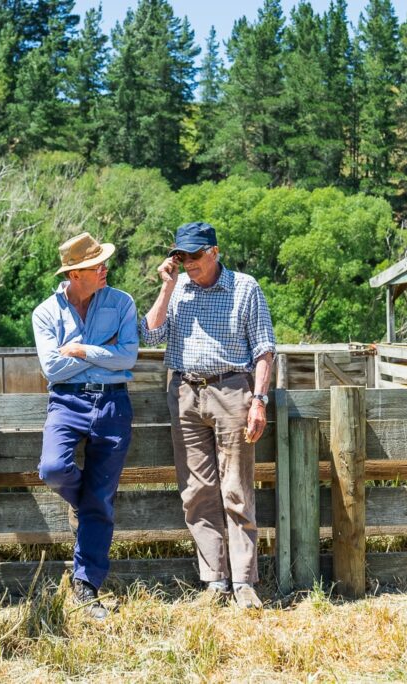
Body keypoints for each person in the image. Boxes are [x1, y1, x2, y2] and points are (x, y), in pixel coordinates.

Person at [140, 221, 276, 609]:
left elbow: (264, 350)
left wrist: (259, 399)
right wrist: (167, 285)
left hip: (232, 389)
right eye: (180, 256)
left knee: (235, 488)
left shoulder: (244, 287)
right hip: (184, 391)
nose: (188, 263)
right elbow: (149, 335)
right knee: (196, 491)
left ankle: (244, 581)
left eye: (195, 256)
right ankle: (214, 580)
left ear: (215, 252)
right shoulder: (177, 287)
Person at [32, 231, 139, 620]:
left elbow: (128, 356)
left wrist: (80, 350)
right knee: (54, 469)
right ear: (76, 274)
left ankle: (85, 585)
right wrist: (103, 354)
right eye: (97, 266)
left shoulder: (122, 302)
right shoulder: (45, 312)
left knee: (100, 498)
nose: (105, 269)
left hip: (113, 403)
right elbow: (52, 368)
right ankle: (91, 504)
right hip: (67, 402)